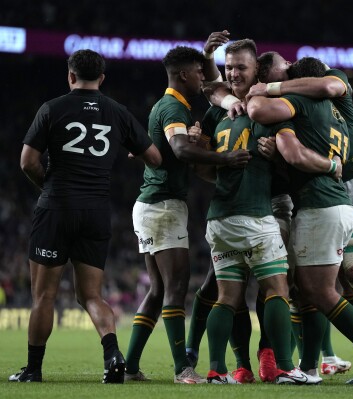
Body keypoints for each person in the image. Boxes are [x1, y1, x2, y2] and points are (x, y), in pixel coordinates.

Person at [9, 49, 162, 383]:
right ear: (102, 78)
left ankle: (33, 370)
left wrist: (46, 186)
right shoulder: (117, 111)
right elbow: (154, 156)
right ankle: (113, 356)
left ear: (70, 75)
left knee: (44, 295)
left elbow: (27, 161)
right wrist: (134, 151)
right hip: (96, 212)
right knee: (91, 295)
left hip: (56, 207)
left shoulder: (52, 108)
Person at [247, 56, 353, 385]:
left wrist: (264, 90)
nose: (289, 64)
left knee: (349, 274)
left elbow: (318, 89)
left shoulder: (319, 88)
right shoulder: (316, 107)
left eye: (288, 65)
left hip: (351, 182)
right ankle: (313, 364)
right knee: (312, 286)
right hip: (332, 194)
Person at [197, 39, 329, 385]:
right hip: (256, 215)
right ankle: (284, 366)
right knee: (278, 290)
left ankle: (218, 369)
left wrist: (207, 151)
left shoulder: (220, 112)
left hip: (220, 217)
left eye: (241, 67)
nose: (234, 73)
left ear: (256, 71)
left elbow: (205, 169)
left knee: (228, 296)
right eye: (231, 68)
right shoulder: (267, 109)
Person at [124, 42, 250, 384]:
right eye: (198, 72)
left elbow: (170, 146)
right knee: (176, 288)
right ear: (183, 74)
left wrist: (194, 140)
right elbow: (179, 150)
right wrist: (225, 158)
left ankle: (130, 367)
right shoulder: (173, 108)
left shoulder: (166, 106)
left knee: (157, 291)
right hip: (163, 206)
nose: (202, 79)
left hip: (152, 205)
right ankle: (182, 368)